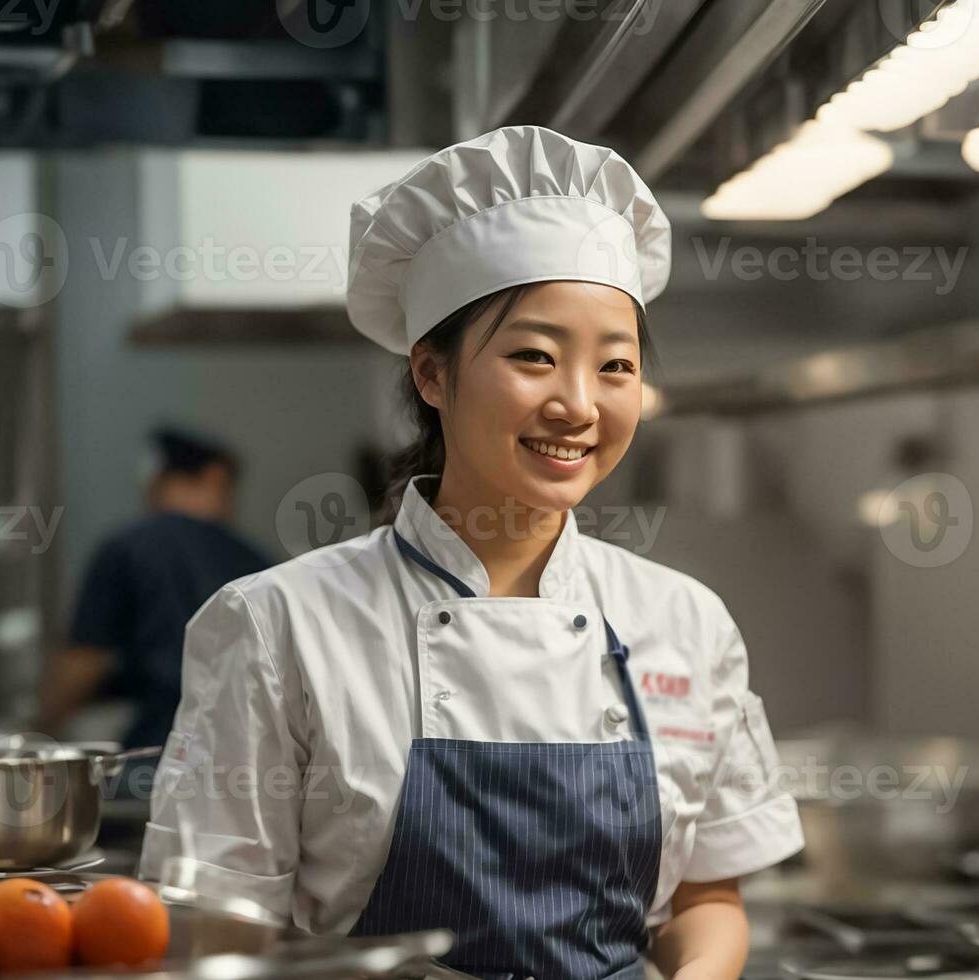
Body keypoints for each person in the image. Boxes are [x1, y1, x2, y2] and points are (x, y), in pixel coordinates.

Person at [141, 127, 803, 980]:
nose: (578, 404)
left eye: (615, 366)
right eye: (533, 355)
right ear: (431, 374)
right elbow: (214, 929)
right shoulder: (278, 625)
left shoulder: (684, 621)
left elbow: (707, 901)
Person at [40, 427, 271, 754]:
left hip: (159, 754)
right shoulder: (260, 562)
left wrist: (41, 727)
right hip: (250, 757)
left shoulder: (128, 547)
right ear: (217, 479)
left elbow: (83, 663)